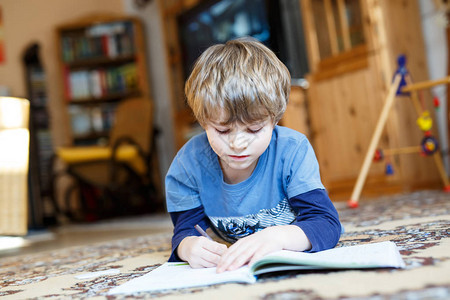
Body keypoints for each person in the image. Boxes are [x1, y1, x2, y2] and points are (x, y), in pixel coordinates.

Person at [165, 37, 341, 273]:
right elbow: (186, 231)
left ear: (275, 119)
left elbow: (326, 223)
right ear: (203, 121)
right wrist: (188, 247)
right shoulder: (188, 165)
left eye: (254, 129)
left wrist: (277, 238)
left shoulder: (292, 150)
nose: (238, 144)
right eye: (223, 130)